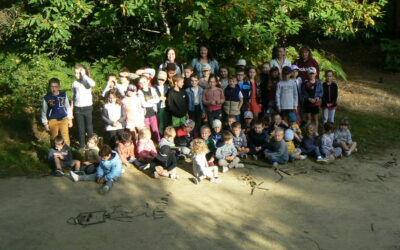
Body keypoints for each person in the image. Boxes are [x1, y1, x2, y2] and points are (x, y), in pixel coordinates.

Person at [41, 78, 73, 146]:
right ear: (49, 87)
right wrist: (45, 123)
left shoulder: (63, 95)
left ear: (59, 86)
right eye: (52, 87)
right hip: (52, 120)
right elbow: (44, 111)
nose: (54, 89)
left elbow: (68, 107)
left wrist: (70, 119)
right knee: (53, 137)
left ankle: (67, 152)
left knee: (65, 136)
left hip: (64, 119)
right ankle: (53, 152)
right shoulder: (47, 97)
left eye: (56, 86)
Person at [71, 64, 95, 149]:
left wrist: (84, 75)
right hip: (78, 108)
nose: (76, 75)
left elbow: (93, 84)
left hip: (87, 107)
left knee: (89, 128)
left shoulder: (87, 81)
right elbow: (73, 96)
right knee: (81, 129)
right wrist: (71, 108)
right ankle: (82, 146)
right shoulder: (74, 82)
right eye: (75, 73)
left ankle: (91, 145)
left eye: (78, 73)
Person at [138, 76, 161, 143]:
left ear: (148, 81)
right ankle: (147, 142)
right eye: (141, 82)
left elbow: (157, 99)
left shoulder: (152, 89)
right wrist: (152, 102)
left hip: (152, 112)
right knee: (147, 130)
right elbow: (143, 104)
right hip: (145, 114)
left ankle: (158, 141)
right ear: (139, 84)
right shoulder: (140, 92)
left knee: (155, 128)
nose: (143, 83)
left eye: (144, 82)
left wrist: (148, 101)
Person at [302, 67, 323, 134]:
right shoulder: (305, 83)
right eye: (310, 74)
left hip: (315, 103)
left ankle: (315, 131)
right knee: (308, 118)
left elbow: (321, 92)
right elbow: (303, 93)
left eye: (313, 73)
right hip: (307, 103)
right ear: (308, 74)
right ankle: (308, 131)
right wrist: (308, 98)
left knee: (315, 118)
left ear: (316, 74)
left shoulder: (319, 83)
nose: (311, 75)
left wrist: (317, 98)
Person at [154, 71, 170, 137]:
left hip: (166, 107)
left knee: (166, 122)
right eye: (159, 79)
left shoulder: (167, 87)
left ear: (165, 80)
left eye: (162, 80)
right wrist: (159, 98)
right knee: (160, 123)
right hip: (159, 107)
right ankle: (160, 136)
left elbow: (170, 95)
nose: (160, 81)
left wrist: (167, 98)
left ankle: (167, 135)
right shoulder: (154, 87)